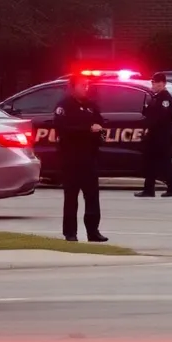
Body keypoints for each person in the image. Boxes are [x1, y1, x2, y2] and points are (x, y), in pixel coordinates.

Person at [54, 74, 109, 243]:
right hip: (71, 159)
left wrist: (100, 132)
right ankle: (70, 233)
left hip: (89, 158)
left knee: (92, 197)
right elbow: (63, 129)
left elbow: (100, 125)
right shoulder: (64, 106)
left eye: (87, 85)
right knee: (71, 198)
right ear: (73, 87)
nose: (85, 87)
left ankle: (93, 231)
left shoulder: (91, 106)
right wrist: (87, 129)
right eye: (82, 85)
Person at [136, 73, 172, 198]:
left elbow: (162, 118)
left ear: (162, 83)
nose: (153, 85)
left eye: (155, 83)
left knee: (164, 162)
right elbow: (149, 113)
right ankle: (148, 189)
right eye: (152, 82)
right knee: (150, 163)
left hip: (160, 136)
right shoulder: (156, 97)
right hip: (154, 136)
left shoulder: (165, 99)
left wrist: (151, 127)